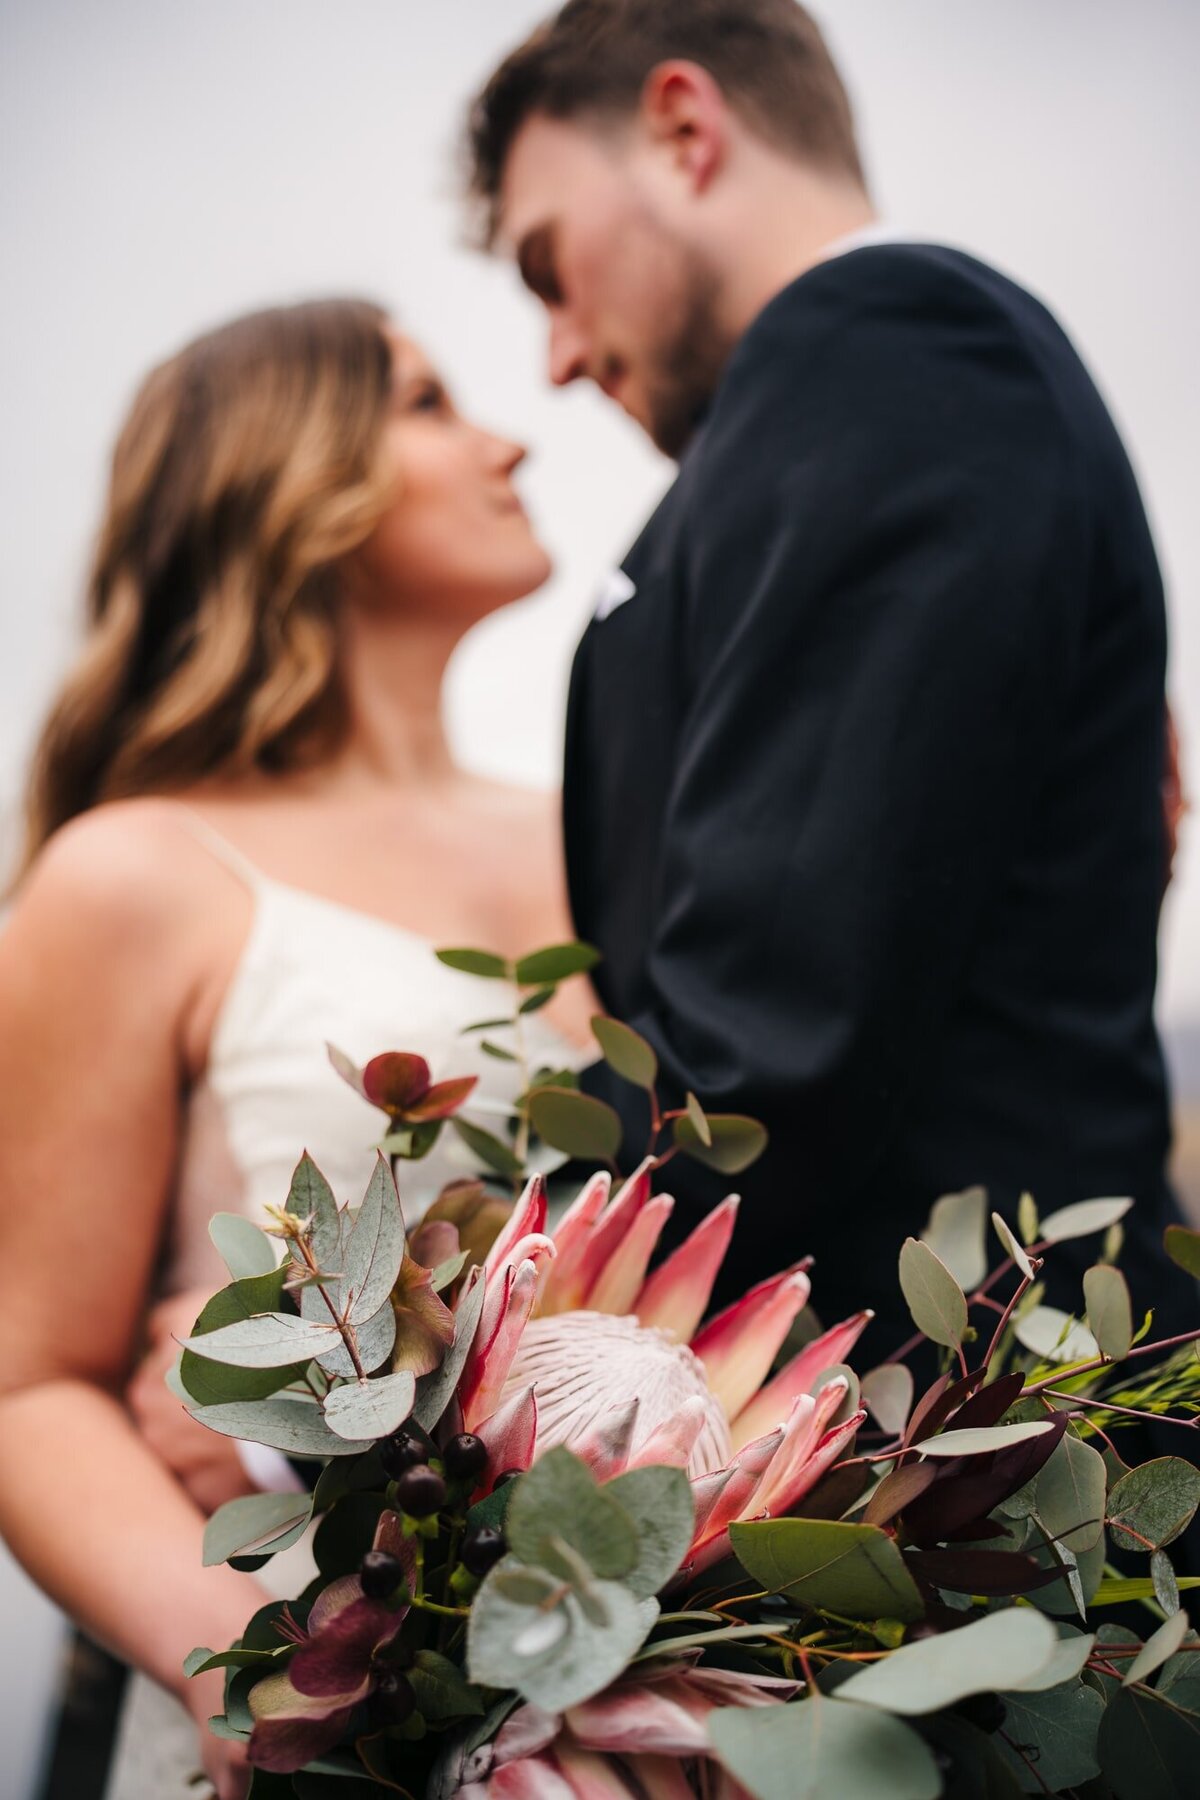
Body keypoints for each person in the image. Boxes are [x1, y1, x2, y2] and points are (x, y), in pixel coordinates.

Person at [466, 0, 1197, 1347]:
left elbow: (765, 1063)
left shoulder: (900, 355)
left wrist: (393, 1353)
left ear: (685, 128)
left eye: (546, 267)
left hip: (982, 1447)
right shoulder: (850, 407)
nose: (557, 358)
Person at [0, 299, 591, 1800]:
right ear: (290, 479)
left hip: (621, 1668)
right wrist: (251, 1658)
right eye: (428, 400)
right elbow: (27, 1384)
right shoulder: (133, 873)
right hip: (317, 1722)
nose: (507, 436)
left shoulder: (604, 833)